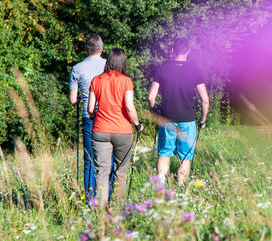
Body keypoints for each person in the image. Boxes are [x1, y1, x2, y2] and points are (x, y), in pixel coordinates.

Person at [148, 38, 209, 187]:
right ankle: (181, 190)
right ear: (188, 51)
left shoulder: (162, 69)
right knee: (185, 157)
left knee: (164, 153)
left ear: (173, 50)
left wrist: (154, 111)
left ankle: (160, 188)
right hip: (187, 119)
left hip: (167, 118)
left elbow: (151, 97)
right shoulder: (194, 70)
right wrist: (203, 119)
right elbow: (205, 100)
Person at [87, 48, 143, 209]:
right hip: (123, 131)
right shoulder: (126, 81)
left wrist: (93, 117)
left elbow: (90, 109)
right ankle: (118, 209)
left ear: (108, 61)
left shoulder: (96, 80)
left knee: (102, 172)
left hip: (100, 131)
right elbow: (130, 107)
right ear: (122, 62)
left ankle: (101, 211)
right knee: (120, 172)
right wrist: (138, 125)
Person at [68, 34, 106, 201]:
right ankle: (107, 197)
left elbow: (72, 99)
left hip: (88, 117)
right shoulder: (109, 65)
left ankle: (90, 199)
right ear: (101, 49)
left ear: (85, 49)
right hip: (108, 116)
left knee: (89, 160)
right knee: (107, 158)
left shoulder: (77, 68)